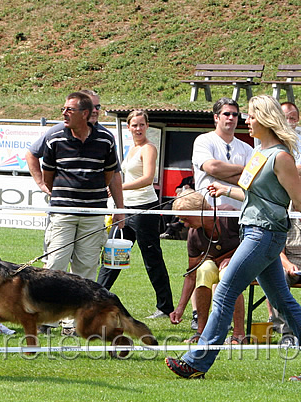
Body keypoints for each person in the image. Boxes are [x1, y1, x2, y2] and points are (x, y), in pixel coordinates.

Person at [166, 95, 301, 380]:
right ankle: (197, 362)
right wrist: (226, 190)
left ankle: (196, 362)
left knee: (225, 289)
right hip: (252, 230)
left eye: (251, 116)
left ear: (264, 119)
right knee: (284, 301)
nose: (246, 121)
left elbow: (298, 201)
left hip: (265, 234)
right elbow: (252, 196)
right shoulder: (258, 155)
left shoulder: (281, 157)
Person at [96, 110, 174, 319]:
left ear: (147, 126)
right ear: (128, 127)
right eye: (134, 125)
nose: (138, 129)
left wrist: (119, 188)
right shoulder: (131, 149)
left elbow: (148, 179)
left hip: (144, 209)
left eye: (141, 125)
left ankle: (165, 306)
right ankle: (95, 297)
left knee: (152, 257)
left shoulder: (149, 148)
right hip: (125, 208)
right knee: (113, 255)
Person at [41, 91, 118, 282]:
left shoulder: (105, 140)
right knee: (55, 266)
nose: (64, 113)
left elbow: (108, 175)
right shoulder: (54, 139)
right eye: (63, 109)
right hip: (63, 213)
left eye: (69, 109)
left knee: (86, 271)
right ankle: (50, 311)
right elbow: (48, 178)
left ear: (84, 113)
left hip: (93, 215)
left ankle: (78, 313)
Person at [169, 188, 245, 344]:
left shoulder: (230, 214)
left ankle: (239, 334)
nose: (184, 224)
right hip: (214, 264)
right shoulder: (193, 234)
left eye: (186, 218)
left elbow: (253, 238)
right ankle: (201, 333)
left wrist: (233, 257)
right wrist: (180, 308)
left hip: (242, 261)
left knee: (227, 275)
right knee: (203, 271)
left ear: (202, 211)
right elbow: (191, 274)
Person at [191, 97, 253, 211]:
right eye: (226, 114)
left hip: (238, 213)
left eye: (235, 114)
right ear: (216, 117)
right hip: (208, 211)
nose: (231, 117)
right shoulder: (203, 140)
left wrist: (219, 173)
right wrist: (243, 169)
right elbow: (212, 167)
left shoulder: (247, 148)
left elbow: (249, 180)